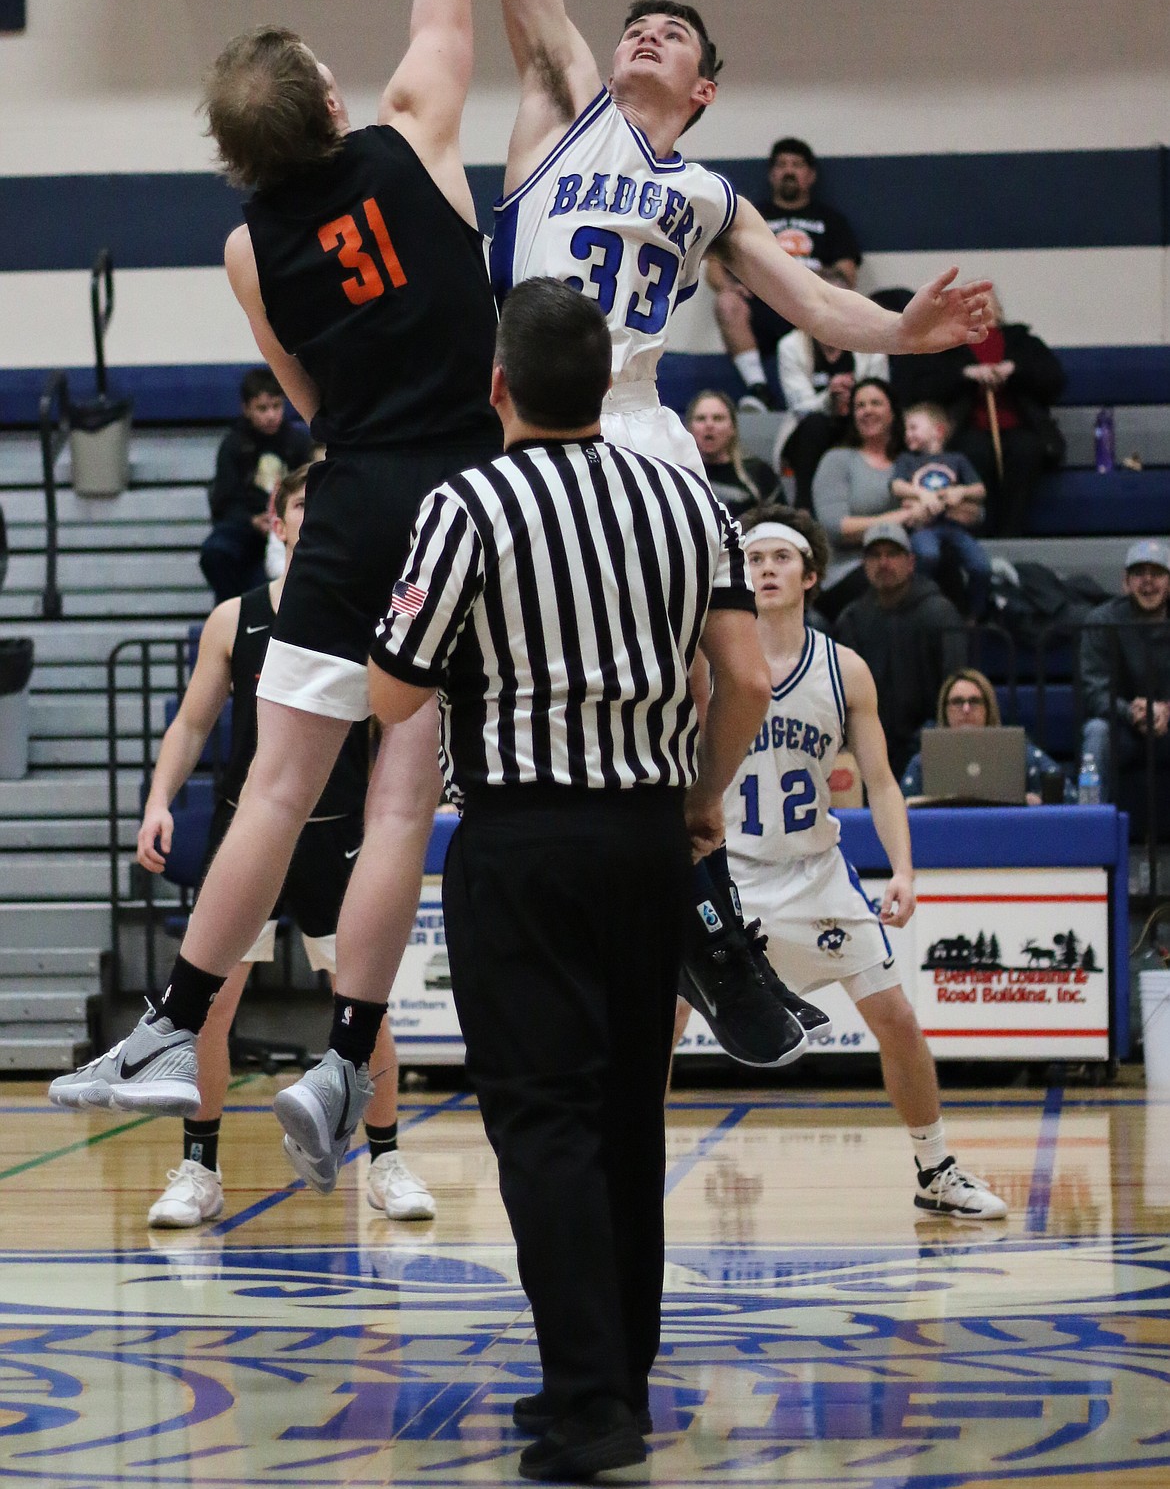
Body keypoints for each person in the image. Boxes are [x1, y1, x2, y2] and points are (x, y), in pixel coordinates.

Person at [479, 0, 992, 1054]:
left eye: (671, 35)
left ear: (704, 87)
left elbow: (807, 295)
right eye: (635, 24)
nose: (642, 34)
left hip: (639, 425)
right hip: (528, 423)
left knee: (744, 680)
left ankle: (706, 901)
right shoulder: (560, 105)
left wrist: (894, 333)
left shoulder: (708, 194)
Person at [48, 0, 517, 1130]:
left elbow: (306, 395)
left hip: (359, 489)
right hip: (471, 496)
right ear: (326, 102)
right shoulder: (416, 129)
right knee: (399, 801)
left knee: (271, 788)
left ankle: (175, 1019)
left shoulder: (249, 245)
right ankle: (342, 1057)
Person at [366, 280, 772, 1481]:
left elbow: (396, 690)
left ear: (498, 385)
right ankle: (614, 1380)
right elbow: (743, 678)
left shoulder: (469, 502)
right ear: (602, 384)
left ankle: (591, 1401)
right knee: (620, 1116)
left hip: (524, 840)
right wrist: (701, 794)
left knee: (541, 1117)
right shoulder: (683, 492)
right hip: (650, 836)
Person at [132, 465, 433, 1228]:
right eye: (305, 505)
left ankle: (388, 1159)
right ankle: (199, 1169)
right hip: (250, 835)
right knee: (208, 1010)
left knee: (366, 1010)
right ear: (279, 522)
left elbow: (401, 732)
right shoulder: (235, 619)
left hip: (337, 843)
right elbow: (192, 723)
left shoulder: (377, 619)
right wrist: (160, 800)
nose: (318, 516)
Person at [708, 505, 1005, 1220]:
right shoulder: (706, 661)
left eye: (781, 558)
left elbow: (879, 781)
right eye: (754, 560)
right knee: (655, 1022)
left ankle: (935, 1169)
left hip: (815, 876)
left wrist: (902, 869)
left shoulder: (845, 670)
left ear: (810, 575)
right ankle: (627, 1173)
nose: (766, 569)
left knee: (898, 1018)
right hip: (728, 876)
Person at [705, 136, 864, 410]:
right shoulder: (751, 215)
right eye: (781, 164)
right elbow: (714, 269)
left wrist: (806, 278)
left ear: (811, 175)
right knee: (726, 302)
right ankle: (759, 389)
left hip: (811, 306)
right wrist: (731, 286)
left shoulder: (830, 220)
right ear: (771, 174)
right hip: (763, 306)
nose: (789, 170)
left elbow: (847, 276)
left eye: (797, 164)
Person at [911, 291, 1066, 535]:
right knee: (974, 454)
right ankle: (983, 533)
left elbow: (1054, 379)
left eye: (985, 301)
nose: (979, 306)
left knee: (1026, 451)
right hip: (968, 429)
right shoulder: (949, 343)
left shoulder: (1021, 341)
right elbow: (924, 388)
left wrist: (1014, 370)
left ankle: (1012, 535)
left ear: (999, 310)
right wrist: (966, 374)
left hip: (1020, 428)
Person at [835, 522, 966, 779]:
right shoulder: (851, 619)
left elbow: (956, 682)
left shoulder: (940, 614)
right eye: (875, 555)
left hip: (929, 745)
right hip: (867, 745)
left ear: (911, 562)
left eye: (892, 554)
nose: (883, 563)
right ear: (864, 565)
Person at [777, 273, 889, 509]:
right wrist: (830, 396)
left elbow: (881, 393)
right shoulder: (791, 346)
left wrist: (856, 397)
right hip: (809, 429)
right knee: (814, 425)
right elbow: (799, 406)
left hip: (857, 421)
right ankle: (804, 508)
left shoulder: (872, 341)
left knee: (871, 418)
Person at [199, 366, 311, 603]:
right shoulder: (233, 445)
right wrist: (251, 521)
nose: (271, 415)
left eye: (276, 406)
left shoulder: (299, 443)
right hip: (244, 528)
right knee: (215, 553)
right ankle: (232, 613)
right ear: (246, 409)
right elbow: (223, 500)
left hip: (287, 530)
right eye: (262, 408)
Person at [1081, 540, 1170, 824]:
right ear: (1125, 582)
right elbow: (1094, 690)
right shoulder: (1101, 620)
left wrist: (1167, 710)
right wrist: (1131, 711)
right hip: (1123, 727)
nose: (1148, 582)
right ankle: (1089, 827)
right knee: (1096, 733)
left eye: (1156, 573)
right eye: (1138, 574)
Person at [810, 377, 909, 618]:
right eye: (860, 406)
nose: (867, 411)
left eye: (875, 403)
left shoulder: (911, 462)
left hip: (905, 567)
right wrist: (906, 516)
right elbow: (836, 527)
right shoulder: (837, 460)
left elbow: (973, 513)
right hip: (845, 572)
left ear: (893, 413)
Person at [900, 666, 1071, 805]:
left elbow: (1069, 794)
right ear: (944, 710)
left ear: (988, 709)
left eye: (974, 702)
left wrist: (1036, 801)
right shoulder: (924, 761)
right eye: (957, 702)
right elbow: (898, 809)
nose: (966, 709)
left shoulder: (1019, 753)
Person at [891, 401, 991, 618]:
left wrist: (961, 492)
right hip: (924, 527)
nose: (907, 434)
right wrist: (921, 495)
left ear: (938, 431)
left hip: (955, 526)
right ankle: (916, 604)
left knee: (981, 566)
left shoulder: (957, 459)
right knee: (927, 555)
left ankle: (974, 616)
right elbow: (897, 486)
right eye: (906, 429)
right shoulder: (907, 460)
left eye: (913, 427)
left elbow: (980, 489)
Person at [685, 389, 779, 521]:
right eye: (701, 419)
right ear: (689, 428)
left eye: (718, 418)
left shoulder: (759, 473)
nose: (709, 425)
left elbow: (780, 524)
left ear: (733, 428)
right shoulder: (676, 475)